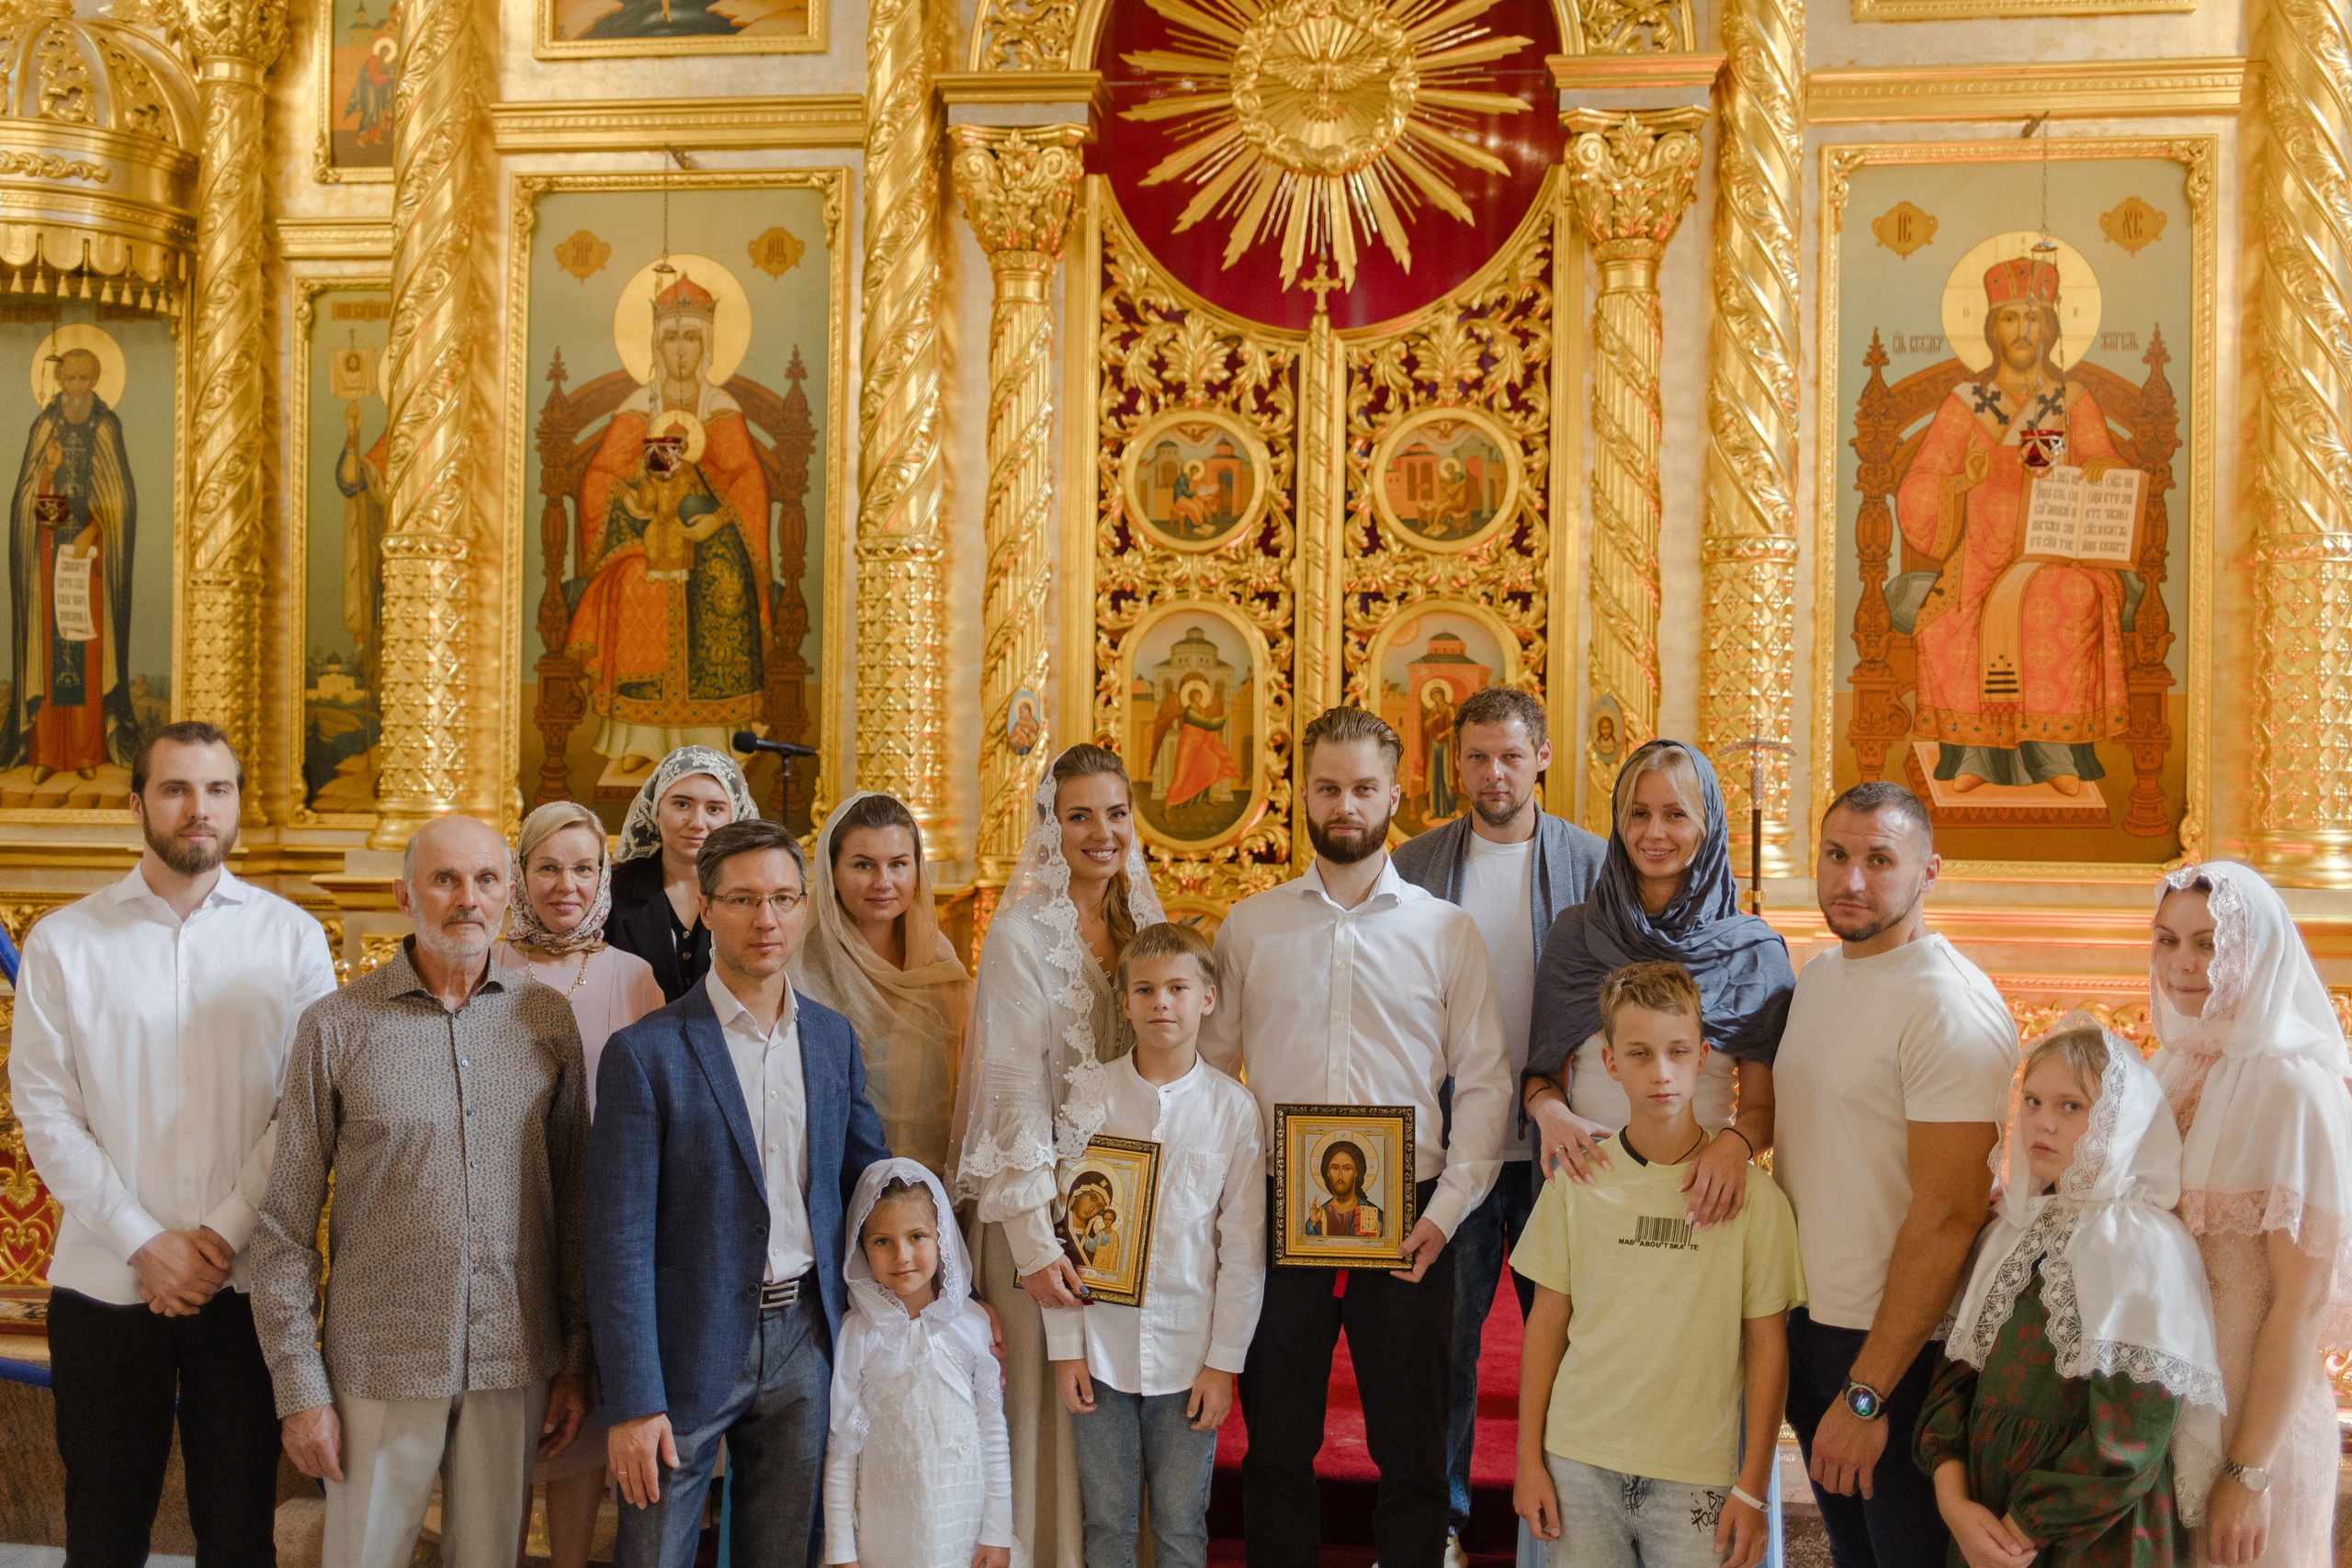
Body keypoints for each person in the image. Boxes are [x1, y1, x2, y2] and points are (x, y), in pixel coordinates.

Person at [9, 722, 336, 1568]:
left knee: (236, 1533)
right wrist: (144, 1242)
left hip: (246, 1288)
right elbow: (45, 1110)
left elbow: (303, 1111)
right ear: (137, 804)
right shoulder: (65, 942)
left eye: (217, 790)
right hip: (106, 1280)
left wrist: (219, 1234)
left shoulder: (292, 938)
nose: (199, 809)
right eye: (177, 789)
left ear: (235, 806)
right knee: (105, 1531)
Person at [1200, 705, 1510, 1568]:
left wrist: (1445, 1213)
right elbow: (1211, 1075)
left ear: (1395, 794)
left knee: (1411, 1452)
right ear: (1301, 792)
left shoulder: (1444, 931)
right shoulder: (1253, 927)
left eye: (1364, 788)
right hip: (1278, 1212)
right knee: (1277, 1445)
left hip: (1411, 1217)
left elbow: (1485, 1079)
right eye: (1329, 787)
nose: (1346, 805)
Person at [252, 814, 593, 1568]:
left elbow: (573, 1207)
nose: (466, 898)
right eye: (444, 879)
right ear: (406, 894)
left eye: (485, 880)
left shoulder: (547, 1021)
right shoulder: (337, 1027)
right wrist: (298, 1385)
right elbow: (281, 1230)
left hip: (514, 1355)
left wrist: (574, 1355)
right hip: (380, 1361)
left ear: (508, 896)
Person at [589, 818, 890, 1568]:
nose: (768, 920)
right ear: (705, 903)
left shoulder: (830, 1039)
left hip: (804, 1339)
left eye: (785, 899)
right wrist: (632, 1399)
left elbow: (872, 1182)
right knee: (654, 1555)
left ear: (804, 906)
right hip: (684, 1345)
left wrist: (952, 1287)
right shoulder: (646, 1052)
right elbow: (617, 1239)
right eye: (746, 899)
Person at [1770, 781, 2018, 1568]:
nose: (1850, 879)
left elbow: (1950, 1217)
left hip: (1893, 1346)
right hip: (1811, 1324)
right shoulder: (1817, 976)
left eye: (1880, 860)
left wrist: (1869, 1389)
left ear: (1928, 870)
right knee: (1855, 1557)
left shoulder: (1946, 1004)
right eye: (1836, 854)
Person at [1391, 683, 1604, 1563]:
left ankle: (1563, 1520)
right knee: (1448, 1341)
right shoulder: (1414, 863)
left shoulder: (1595, 863)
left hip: (1566, 1140)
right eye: (1475, 756)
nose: (1492, 773)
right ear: (1455, 763)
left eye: (1511, 755)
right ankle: (1441, 1522)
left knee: (1576, 1341)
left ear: (1542, 757)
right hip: (1459, 1145)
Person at [952, 743, 1167, 1568]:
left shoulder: (1145, 926)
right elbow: (1009, 1096)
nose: (1101, 831)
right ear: (1051, 826)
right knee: (1043, 1420)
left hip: (1119, 1219)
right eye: (1079, 814)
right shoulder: (1018, 937)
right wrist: (1037, 1247)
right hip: (1033, 1221)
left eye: (1115, 813)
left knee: (1112, 1415)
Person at [1511, 961, 1801, 1568]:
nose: (1661, 1072)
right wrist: (1528, 1457)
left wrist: (1751, 1486)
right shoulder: (1577, 1182)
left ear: (1703, 1055)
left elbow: (1767, 1345)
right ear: (1611, 1062)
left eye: (1676, 1051)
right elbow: (1545, 1323)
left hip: (1695, 1472)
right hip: (1579, 1460)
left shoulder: (1756, 1201)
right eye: (1640, 1053)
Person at [1916, 1021, 2224, 1568]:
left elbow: (2131, 1436)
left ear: (2119, 1122)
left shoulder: (2143, 1245)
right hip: (1981, 1519)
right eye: (2032, 1101)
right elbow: (1952, 1383)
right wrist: (1954, 1504)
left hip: (2092, 1536)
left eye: (2072, 1106)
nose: (2044, 1122)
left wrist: (2022, 1529)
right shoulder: (2007, 1232)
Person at [2146, 862, 2352, 1566]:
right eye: (2168, 939)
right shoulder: (2175, 1064)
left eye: (2208, 942)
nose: (2184, 964)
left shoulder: (2295, 1086)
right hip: (2167, 1411)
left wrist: (2248, 1470)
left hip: (2253, 1420)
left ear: (2255, 949)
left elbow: (2302, 1299)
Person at [1046, 921, 1265, 1568]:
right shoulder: (1089, 1096)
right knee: (1108, 1524)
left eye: (1177, 987)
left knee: (1179, 1527)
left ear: (1208, 998)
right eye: (1145, 989)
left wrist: (1223, 1362)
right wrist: (1066, 1350)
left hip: (1188, 1352)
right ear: (1124, 1001)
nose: (1161, 1002)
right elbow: (1063, 1236)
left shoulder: (1234, 1110)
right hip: (1100, 1347)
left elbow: (1244, 1250)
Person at [492, 799, 665, 1568]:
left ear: (603, 877)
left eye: (584, 867)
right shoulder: (488, 967)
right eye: (548, 867)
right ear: (521, 875)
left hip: (601, 1217)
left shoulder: (633, 975)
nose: (566, 884)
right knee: (509, 1412)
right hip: (506, 1219)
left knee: (585, 1407)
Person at [1524, 741, 1793, 1220]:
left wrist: (1734, 1145)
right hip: (1594, 1191)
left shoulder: (1753, 952)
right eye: (1639, 813)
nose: (1654, 833)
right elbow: (1540, 1078)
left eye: (1675, 814)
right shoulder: (1575, 936)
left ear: (1706, 823)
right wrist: (1553, 1114)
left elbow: (1764, 1107)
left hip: (1703, 1196)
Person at [1893, 255, 2130, 796]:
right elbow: (1922, 479)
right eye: (2010, 319)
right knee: (1948, 623)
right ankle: (1976, 751)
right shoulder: (1965, 405)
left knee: (2068, 601)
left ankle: (2055, 754)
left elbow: (2108, 462)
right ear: (1991, 328)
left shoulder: (2073, 402)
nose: (2023, 331)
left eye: (2034, 318)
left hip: (2056, 555)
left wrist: (2096, 467)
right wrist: (1959, 481)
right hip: (1977, 557)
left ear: (2051, 327)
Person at [822, 1158, 1013, 1568]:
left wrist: (996, 1533)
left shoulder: (972, 1324)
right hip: (887, 1536)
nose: (902, 1255)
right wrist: (842, 1553)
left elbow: (993, 1432)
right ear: (861, 1246)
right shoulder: (857, 1333)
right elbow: (842, 1449)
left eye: (917, 1236)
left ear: (942, 1237)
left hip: (963, 1528)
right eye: (882, 1241)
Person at [790, 790, 971, 1174]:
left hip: (928, 1187)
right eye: (863, 865)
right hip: (825, 1178)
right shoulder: (798, 969)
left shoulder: (940, 965)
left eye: (898, 864)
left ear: (917, 870)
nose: (883, 882)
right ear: (831, 871)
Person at [5, 344, 138, 778]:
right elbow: (29, 496)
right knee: (49, 649)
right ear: (59, 380)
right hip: (49, 556)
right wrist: (49, 474)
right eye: (70, 378)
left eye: (85, 379)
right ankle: (46, 754)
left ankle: (84, 754)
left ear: (95, 382)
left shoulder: (107, 425)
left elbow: (119, 497)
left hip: (91, 559)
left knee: (87, 649)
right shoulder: (46, 425)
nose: (76, 387)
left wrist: (92, 530)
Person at [605, 744, 761, 1000]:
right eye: (682, 804)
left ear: (734, 817)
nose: (697, 823)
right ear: (655, 809)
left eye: (714, 809)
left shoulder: (754, 896)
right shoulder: (614, 891)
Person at [1306, 1141, 1383, 1237]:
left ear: (1356, 1172)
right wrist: (1314, 1225)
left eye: (1347, 1168)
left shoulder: (1374, 1216)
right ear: (1328, 1173)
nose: (1340, 1176)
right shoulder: (1317, 1217)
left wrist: (1376, 1239)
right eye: (1335, 1168)